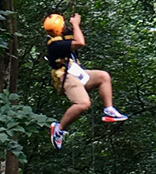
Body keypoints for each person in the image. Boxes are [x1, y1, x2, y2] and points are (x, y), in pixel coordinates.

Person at [44, 12, 127, 150]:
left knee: (103, 76)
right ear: (59, 29)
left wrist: (76, 23)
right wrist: (75, 24)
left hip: (75, 73)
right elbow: (80, 42)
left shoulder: (62, 37)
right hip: (65, 77)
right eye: (63, 25)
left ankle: (109, 110)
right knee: (83, 103)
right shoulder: (55, 45)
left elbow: (78, 35)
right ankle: (59, 128)